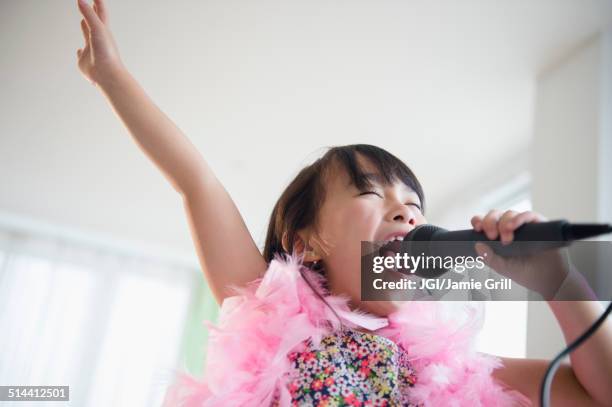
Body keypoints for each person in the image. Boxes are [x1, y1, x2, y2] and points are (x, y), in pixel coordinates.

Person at [75, 0, 612, 405]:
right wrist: (113, 77)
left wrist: (560, 284)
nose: (406, 212)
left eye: (413, 204)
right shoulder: (265, 304)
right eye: (371, 193)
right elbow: (198, 182)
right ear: (306, 242)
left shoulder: (457, 370)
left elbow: (600, 395)